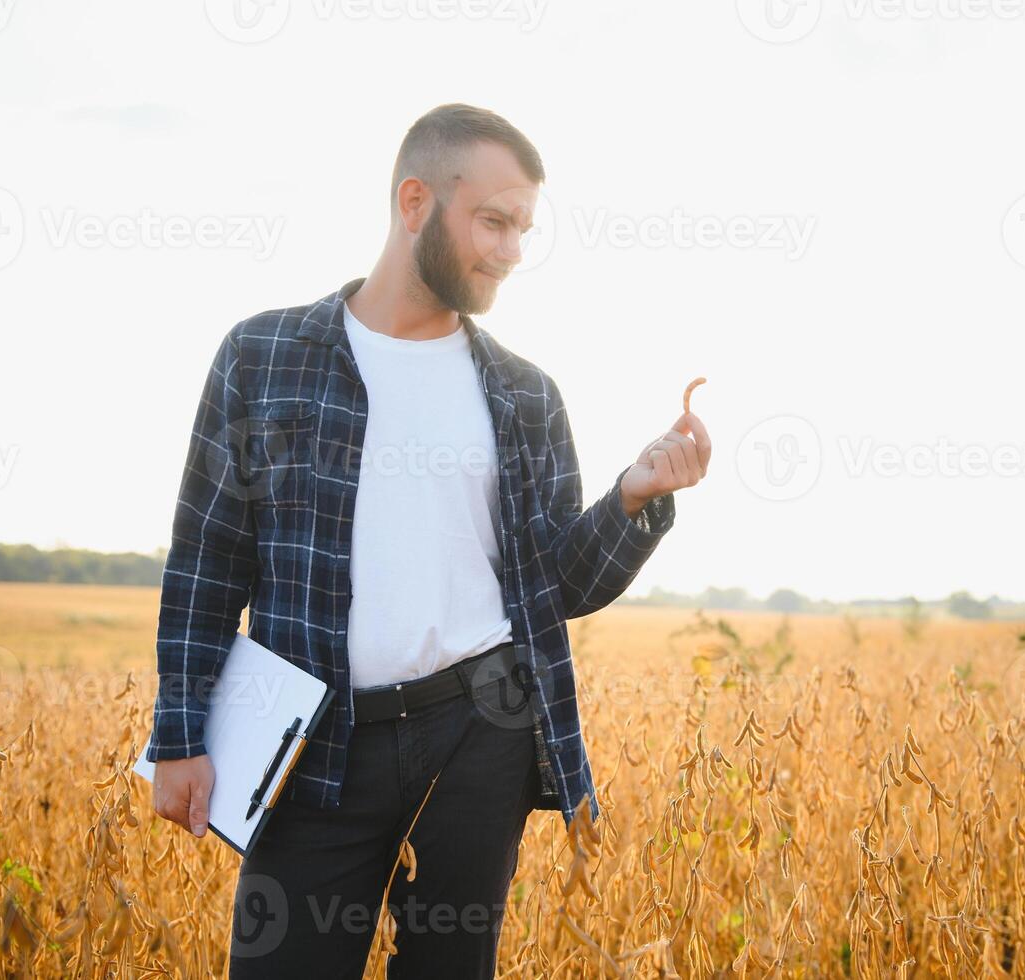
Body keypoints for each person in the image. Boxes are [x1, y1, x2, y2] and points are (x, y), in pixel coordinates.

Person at [145, 102, 711, 978]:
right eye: (493, 221)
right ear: (414, 202)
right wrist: (178, 735)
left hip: (477, 736)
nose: (510, 250)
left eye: (522, 229)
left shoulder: (526, 393)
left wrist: (632, 498)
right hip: (313, 747)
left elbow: (554, 585)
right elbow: (208, 556)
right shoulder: (263, 356)